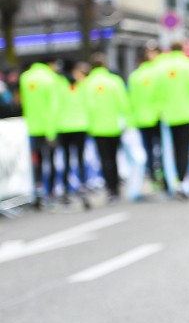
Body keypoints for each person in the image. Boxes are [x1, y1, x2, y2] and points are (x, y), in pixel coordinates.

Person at [154, 41, 189, 197]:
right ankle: (184, 180)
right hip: (187, 113)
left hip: (168, 114)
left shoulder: (161, 67)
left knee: (173, 149)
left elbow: (156, 92)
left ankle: (176, 181)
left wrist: (162, 107)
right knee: (185, 148)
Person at [83, 53, 132, 202]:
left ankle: (110, 189)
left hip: (97, 127)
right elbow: (123, 103)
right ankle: (116, 188)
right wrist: (128, 122)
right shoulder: (114, 81)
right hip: (114, 126)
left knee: (104, 159)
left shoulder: (87, 84)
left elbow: (86, 107)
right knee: (114, 157)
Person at [19, 58, 61, 208]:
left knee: (37, 163)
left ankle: (37, 192)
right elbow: (54, 107)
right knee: (51, 161)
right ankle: (51, 194)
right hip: (49, 129)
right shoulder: (51, 78)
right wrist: (51, 132)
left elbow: (23, 102)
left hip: (32, 128)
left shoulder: (25, 77)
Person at [129, 43, 165, 193]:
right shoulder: (157, 73)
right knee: (162, 149)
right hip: (157, 117)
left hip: (141, 119)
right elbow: (162, 95)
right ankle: (163, 175)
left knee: (148, 150)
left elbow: (131, 100)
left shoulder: (134, 76)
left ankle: (153, 177)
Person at [55, 61, 92, 208]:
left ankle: (65, 192)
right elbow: (89, 105)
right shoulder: (82, 85)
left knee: (66, 159)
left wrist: (52, 131)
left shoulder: (59, 86)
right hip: (80, 126)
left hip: (64, 127)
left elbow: (54, 107)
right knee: (81, 158)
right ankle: (83, 188)